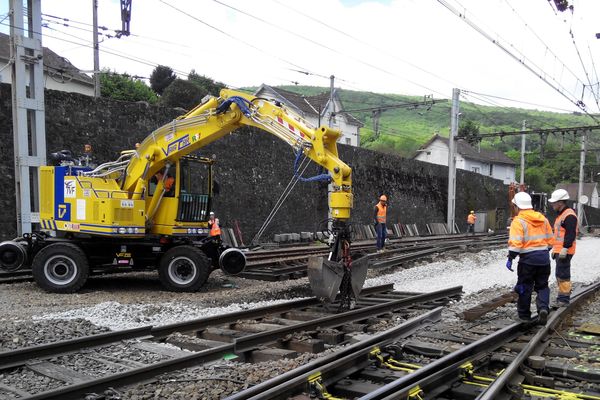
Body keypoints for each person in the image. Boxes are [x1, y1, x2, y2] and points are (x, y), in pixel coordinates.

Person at [507, 192, 554, 324]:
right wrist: (543, 251)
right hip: (544, 259)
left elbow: (516, 244)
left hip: (527, 260)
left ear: (516, 206)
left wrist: (510, 258)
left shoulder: (518, 221)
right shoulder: (543, 219)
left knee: (524, 286)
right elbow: (551, 241)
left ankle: (524, 316)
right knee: (543, 286)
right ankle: (543, 308)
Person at [548, 189, 578, 307]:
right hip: (559, 250)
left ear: (560, 202)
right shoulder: (562, 215)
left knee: (563, 275)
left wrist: (565, 248)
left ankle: (564, 300)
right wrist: (554, 249)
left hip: (565, 251)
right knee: (560, 274)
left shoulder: (569, 215)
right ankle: (562, 297)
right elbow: (558, 235)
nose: (552, 204)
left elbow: (570, 234)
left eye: (554, 202)